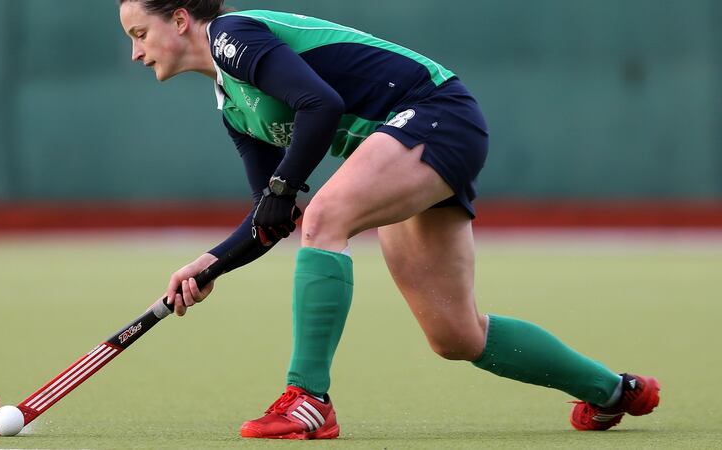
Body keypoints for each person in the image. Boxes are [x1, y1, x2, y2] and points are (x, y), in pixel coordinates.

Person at [118, 0, 660, 439]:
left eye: (140, 33)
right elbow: (272, 215)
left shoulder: (232, 35)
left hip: (435, 114)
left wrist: (285, 190)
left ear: (181, 19)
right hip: (398, 142)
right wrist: (210, 264)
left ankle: (309, 398)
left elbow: (320, 104)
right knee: (455, 335)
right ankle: (613, 391)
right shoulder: (232, 106)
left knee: (327, 217)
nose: (136, 53)